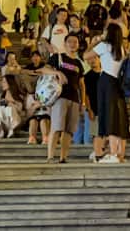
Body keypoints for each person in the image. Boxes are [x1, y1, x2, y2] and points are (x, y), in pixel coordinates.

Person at [44, 33, 87, 163]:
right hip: (59, 97)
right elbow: (44, 70)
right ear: (65, 44)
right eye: (70, 42)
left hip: (74, 98)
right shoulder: (58, 58)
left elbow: (82, 84)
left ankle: (63, 157)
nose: (73, 44)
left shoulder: (79, 63)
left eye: (75, 42)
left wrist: (83, 101)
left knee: (69, 131)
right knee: (56, 127)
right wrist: (57, 72)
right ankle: (50, 156)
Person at [92, 23, 130, 163]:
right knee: (119, 117)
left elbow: (86, 55)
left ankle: (113, 153)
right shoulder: (121, 48)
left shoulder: (104, 46)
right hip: (117, 83)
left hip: (106, 81)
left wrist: (95, 41)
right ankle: (120, 153)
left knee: (110, 116)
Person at [0, 74, 28, 138]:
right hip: (2, 121)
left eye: (4, 82)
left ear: (10, 83)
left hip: (15, 121)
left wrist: (10, 103)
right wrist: (1, 103)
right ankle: (2, 129)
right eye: (2, 82)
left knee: (10, 107)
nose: (2, 84)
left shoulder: (20, 96)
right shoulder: (0, 96)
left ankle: (11, 129)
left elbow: (20, 110)